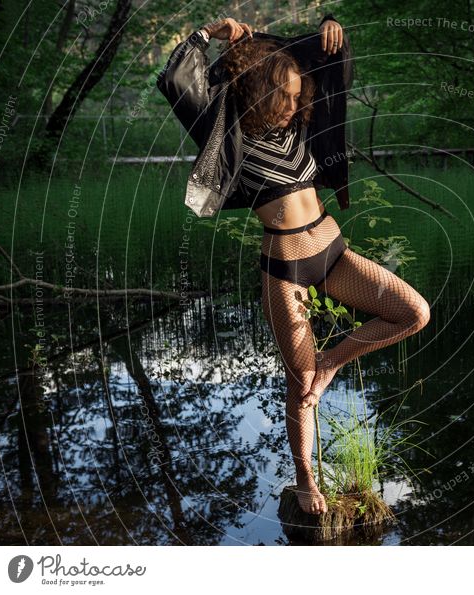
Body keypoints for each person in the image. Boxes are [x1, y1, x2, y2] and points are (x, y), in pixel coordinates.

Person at [161, 16, 431, 515]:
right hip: (285, 273)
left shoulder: (302, 125)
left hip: (334, 254)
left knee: (414, 313)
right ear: (260, 91)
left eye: (295, 94)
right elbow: (176, 79)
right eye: (283, 96)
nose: (293, 103)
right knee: (299, 386)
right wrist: (211, 33)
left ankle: (332, 363)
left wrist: (330, 28)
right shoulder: (229, 130)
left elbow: (317, 62)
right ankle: (306, 479)